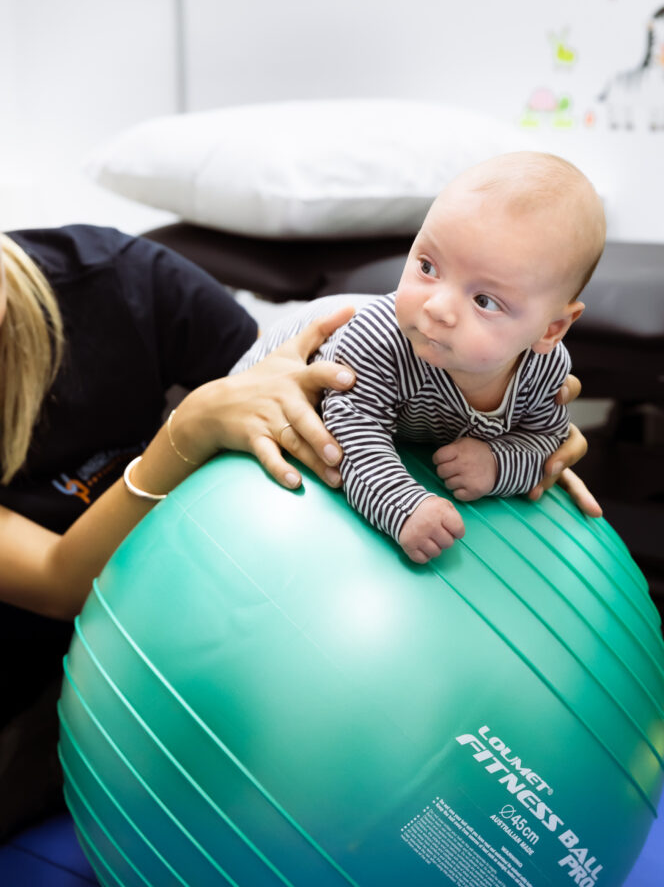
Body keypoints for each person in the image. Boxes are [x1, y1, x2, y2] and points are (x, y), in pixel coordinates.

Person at [0, 220, 594, 838]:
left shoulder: (118, 276)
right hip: (43, 658)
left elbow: (288, 372)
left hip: (221, 635)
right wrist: (188, 431)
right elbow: (55, 582)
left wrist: (506, 429)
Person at [233, 152, 605, 563]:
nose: (437, 308)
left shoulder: (544, 371)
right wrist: (404, 507)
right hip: (260, 392)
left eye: (484, 300)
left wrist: (498, 464)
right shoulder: (378, 342)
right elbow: (351, 434)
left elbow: (546, 441)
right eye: (427, 266)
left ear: (550, 329)